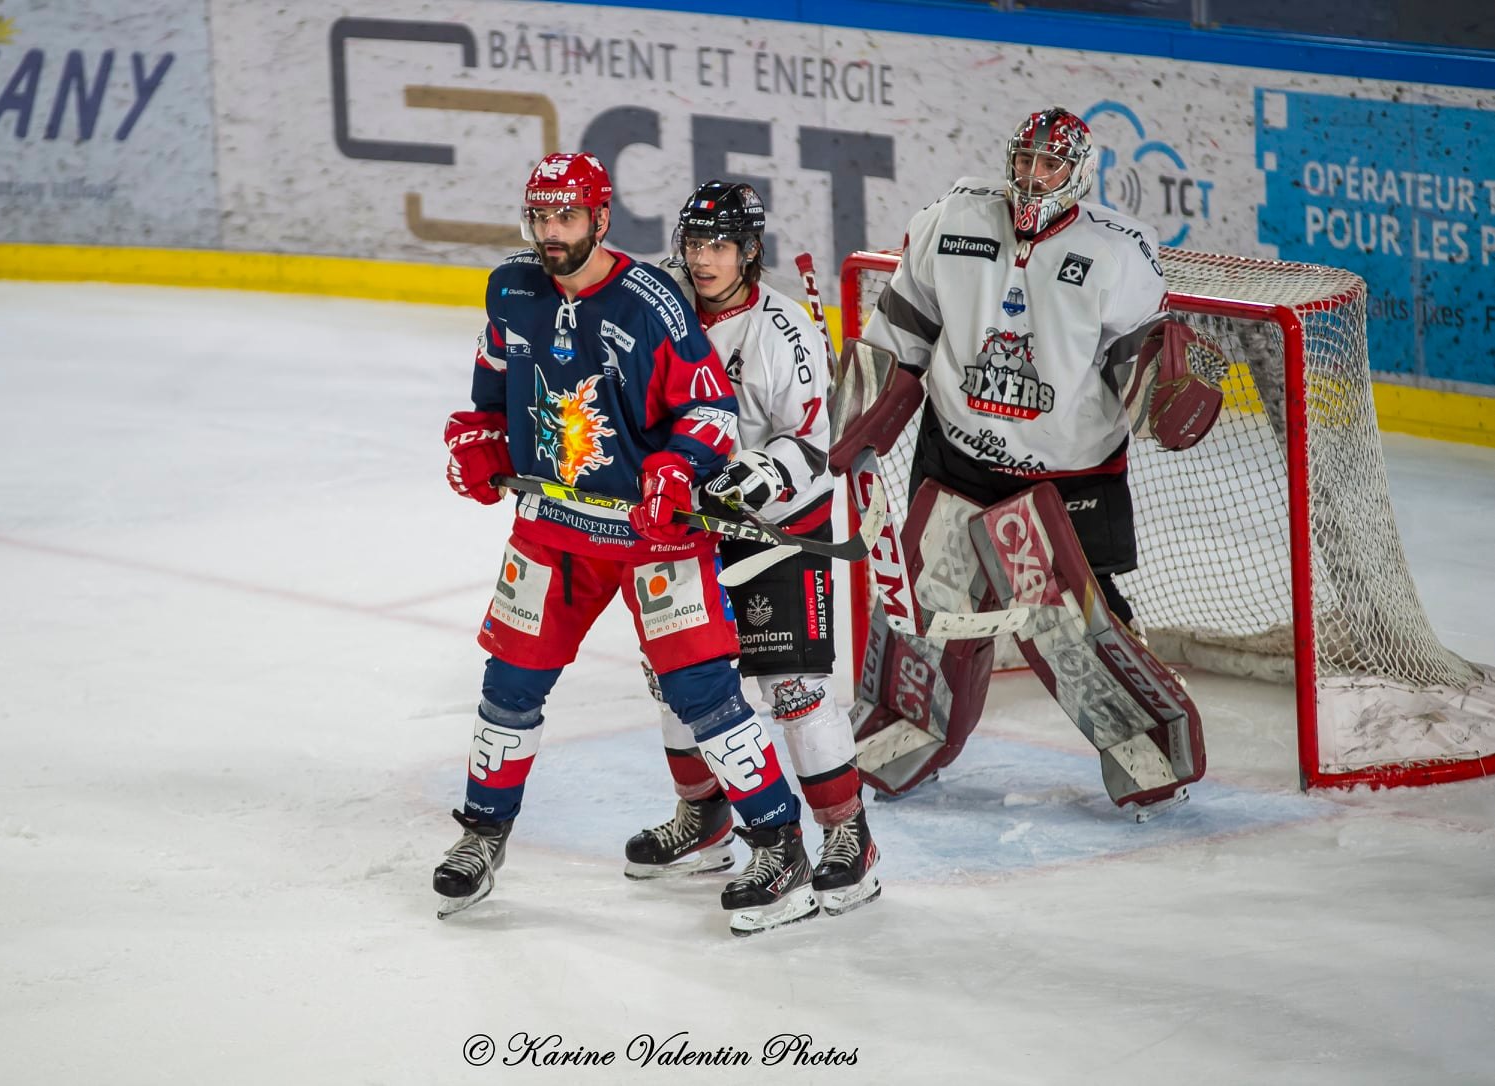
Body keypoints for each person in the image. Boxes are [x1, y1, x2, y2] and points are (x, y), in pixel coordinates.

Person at [434, 153, 817, 935]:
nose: (550, 233)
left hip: (653, 537)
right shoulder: (511, 288)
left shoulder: (650, 303)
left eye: (565, 218)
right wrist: (478, 438)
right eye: (539, 217)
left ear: (600, 219)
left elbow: (708, 412)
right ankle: (481, 835)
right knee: (508, 686)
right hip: (552, 532)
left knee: (702, 695)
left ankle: (780, 849)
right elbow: (491, 386)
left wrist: (676, 473)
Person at [832, 107, 1220, 815]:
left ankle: (1145, 742)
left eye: (1049, 166)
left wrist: (1165, 391)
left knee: (1074, 621)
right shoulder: (951, 218)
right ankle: (903, 723)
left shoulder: (1119, 249)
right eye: (1023, 161)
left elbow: (1137, 357)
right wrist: (861, 416)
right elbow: (903, 323)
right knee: (921, 605)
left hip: (1065, 473)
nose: (1031, 177)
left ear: (1079, 173)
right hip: (956, 452)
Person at [621, 181, 881, 918]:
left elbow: (810, 443)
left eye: (717, 246)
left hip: (775, 532)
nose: (701, 260)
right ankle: (703, 820)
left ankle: (845, 837)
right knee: (676, 677)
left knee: (792, 689)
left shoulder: (784, 329)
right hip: (681, 527)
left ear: (748, 251)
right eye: (693, 244)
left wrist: (747, 480)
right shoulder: (661, 306)